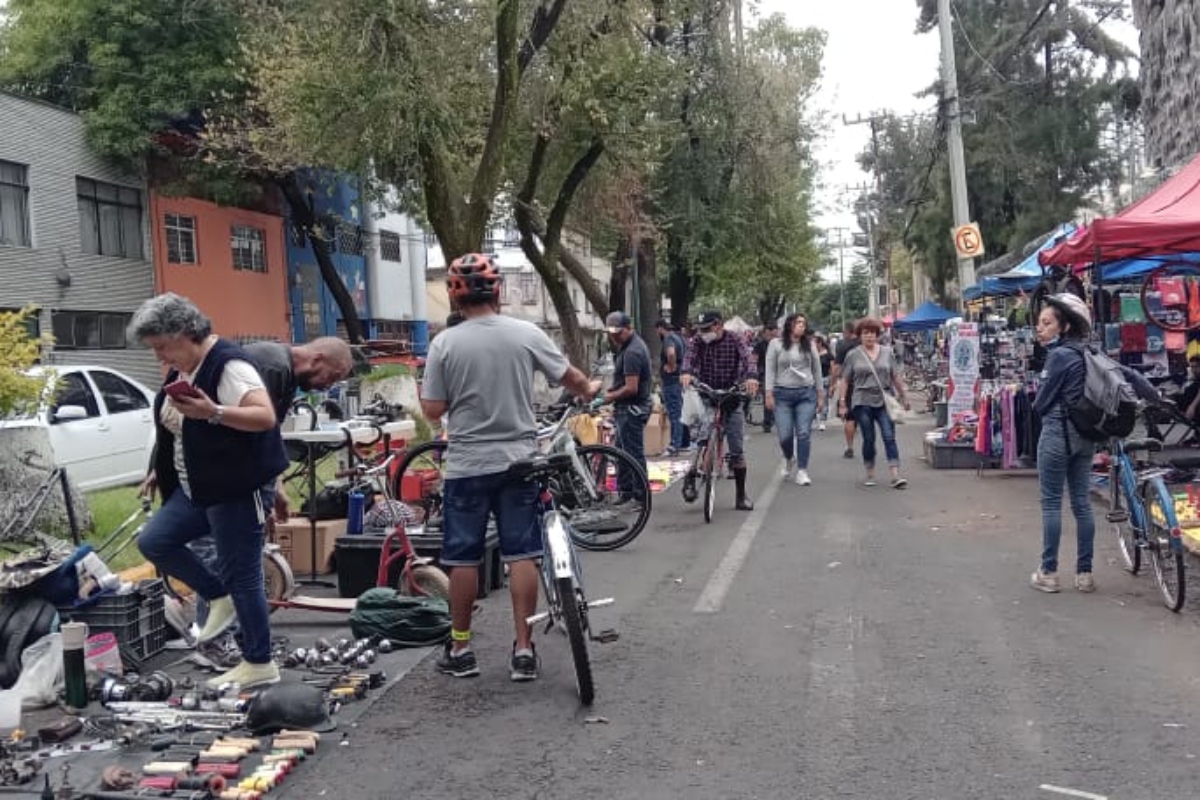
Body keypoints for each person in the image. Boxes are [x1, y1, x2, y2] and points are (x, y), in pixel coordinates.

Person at [420, 253, 600, 680]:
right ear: (497, 291)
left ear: (455, 297)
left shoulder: (444, 344)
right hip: (518, 459)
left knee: (462, 558)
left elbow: (432, 409)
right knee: (522, 553)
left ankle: (461, 648)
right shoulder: (525, 333)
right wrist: (589, 387)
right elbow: (571, 378)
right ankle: (523, 649)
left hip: (466, 464)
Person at [131, 293, 287, 689]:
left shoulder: (229, 365)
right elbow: (173, 427)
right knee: (155, 540)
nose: (159, 357)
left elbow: (264, 416)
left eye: (162, 346)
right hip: (197, 487)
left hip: (235, 487)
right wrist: (156, 469)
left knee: (243, 575)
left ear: (186, 334)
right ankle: (217, 596)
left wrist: (214, 412)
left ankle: (259, 660)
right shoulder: (182, 369)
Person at [1030, 294, 1099, 593]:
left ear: (1064, 326)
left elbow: (1041, 403)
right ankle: (1084, 574)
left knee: (1051, 504)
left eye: (1046, 323)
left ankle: (1049, 571)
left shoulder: (1059, 357)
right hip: (1086, 437)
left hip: (1057, 434)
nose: (1039, 328)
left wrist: (1040, 394)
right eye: (1039, 323)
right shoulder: (1089, 351)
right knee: (1082, 504)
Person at [680, 310, 760, 511]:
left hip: (732, 395)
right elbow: (688, 358)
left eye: (707, 329)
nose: (703, 333)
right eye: (701, 329)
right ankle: (692, 473)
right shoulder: (698, 341)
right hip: (708, 394)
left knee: (737, 449)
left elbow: (748, 358)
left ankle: (741, 496)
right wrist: (686, 373)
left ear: (719, 325)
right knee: (702, 435)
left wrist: (751, 376)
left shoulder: (735, 339)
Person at [838, 317, 909, 489]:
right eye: (865, 333)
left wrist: (904, 396)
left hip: (884, 399)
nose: (869, 337)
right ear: (860, 335)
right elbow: (845, 380)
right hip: (862, 401)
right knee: (868, 438)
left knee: (889, 436)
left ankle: (895, 474)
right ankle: (870, 471)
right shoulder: (853, 355)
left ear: (878, 335)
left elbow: (895, 376)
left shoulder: (887, 352)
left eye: (872, 333)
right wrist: (842, 403)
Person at [765, 314, 824, 486]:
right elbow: (770, 370)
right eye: (798, 323)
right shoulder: (775, 344)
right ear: (789, 325)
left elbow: (817, 371)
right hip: (782, 395)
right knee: (785, 435)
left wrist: (820, 395)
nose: (801, 326)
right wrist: (768, 394)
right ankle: (789, 458)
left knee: (804, 433)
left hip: (806, 394)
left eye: (804, 323)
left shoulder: (810, 345)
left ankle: (802, 470)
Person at [602, 312, 652, 505]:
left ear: (629, 328)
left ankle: (640, 496)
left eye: (618, 333)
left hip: (632, 408)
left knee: (632, 454)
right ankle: (626, 492)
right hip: (628, 407)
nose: (614, 337)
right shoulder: (628, 346)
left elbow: (631, 388)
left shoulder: (632, 352)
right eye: (611, 333)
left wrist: (609, 397)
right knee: (622, 452)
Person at [655, 318, 688, 455]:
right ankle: (682, 442)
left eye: (657, 331)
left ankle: (675, 445)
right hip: (677, 379)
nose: (657, 334)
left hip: (671, 380)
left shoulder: (668, 339)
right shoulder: (679, 337)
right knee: (679, 411)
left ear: (661, 328)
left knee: (674, 413)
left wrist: (671, 366)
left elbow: (671, 353)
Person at [832, 323, 859, 459]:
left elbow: (836, 368)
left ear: (848, 332)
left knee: (849, 417)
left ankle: (850, 447)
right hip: (865, 384)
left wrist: (832, 384)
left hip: (848, 383)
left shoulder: (842, 345)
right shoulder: (864, 343)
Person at [750, 322, 778, 432]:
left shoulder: (779, 344)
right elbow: (754, 359)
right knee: (768, 397)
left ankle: (776, 420)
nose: (774, 336)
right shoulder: (760, 345)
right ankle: (767, 423)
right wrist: (754, 375)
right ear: (766, 332)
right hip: (765, 374)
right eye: (771, 333)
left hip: (779, 374)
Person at [815, 335, 833, 432]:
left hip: (824, 378)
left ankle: (822, 420)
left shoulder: (828, 355)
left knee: (824, 400)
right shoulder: (812, 354)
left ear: (820, 343)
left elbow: (832, 368)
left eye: (815, 343)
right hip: (812, 380)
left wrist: (832, 382)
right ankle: (814, 418)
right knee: (813, 400)